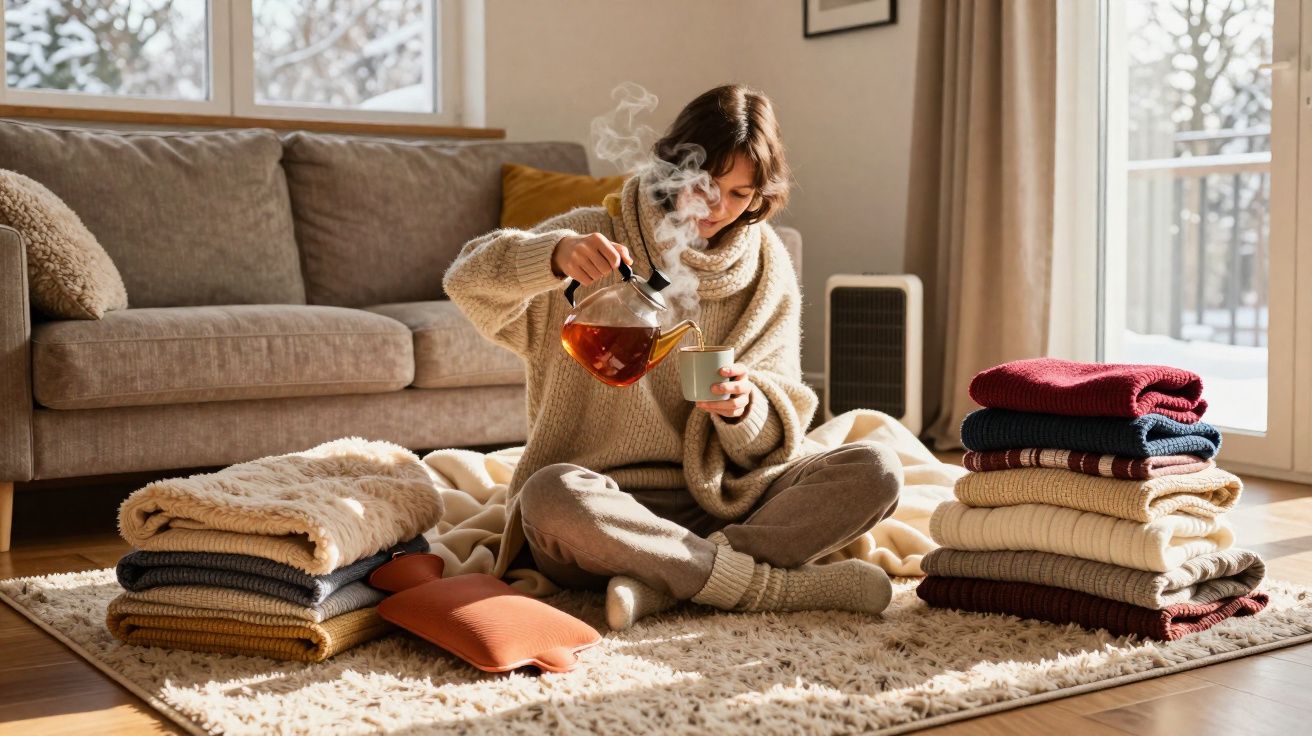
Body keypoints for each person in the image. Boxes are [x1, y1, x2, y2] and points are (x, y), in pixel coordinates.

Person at [443, 84, 902, 630]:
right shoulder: (596, 237)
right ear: (673, 168)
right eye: (705, 186)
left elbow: (778, 436)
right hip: (601, 511)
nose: (717, 209)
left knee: (876, 468)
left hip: (724, 501)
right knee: (548, 496)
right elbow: (465, 280)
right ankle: (766, 587)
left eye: (739, 194)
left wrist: (744, 409)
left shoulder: (766, 267)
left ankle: (664, 582)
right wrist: (553, 254)